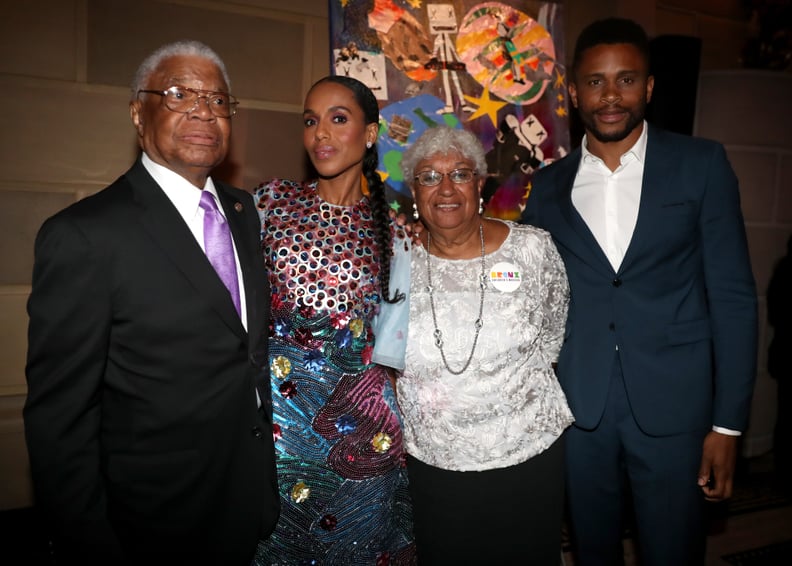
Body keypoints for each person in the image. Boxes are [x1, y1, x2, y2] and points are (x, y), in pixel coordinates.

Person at [23, 40, 278, 565]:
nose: (204, 110)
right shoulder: (86, 235)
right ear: (139, 112)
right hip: (150, 525)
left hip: (246, 502)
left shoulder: (243, 210)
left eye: (218, 99)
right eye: (180, 93)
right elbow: (60, 419)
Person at [522, 18, 758, 565]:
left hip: (675, 406)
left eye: (626, 80)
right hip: (579, 408)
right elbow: (532, 300)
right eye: (595, 82)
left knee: (673, 550)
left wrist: (728, 423)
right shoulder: (548, 187)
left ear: (648, 88)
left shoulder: (701, 165)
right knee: (591, 550)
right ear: (573, 91)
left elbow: (734, 298)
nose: (610, 96)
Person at [251, 75, 416, 564]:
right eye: (310, 121)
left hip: (366, 432)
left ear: (370, 134)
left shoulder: (396, 232)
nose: (320, 133)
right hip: (278, 430)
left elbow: (394, 345)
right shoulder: (268, 203)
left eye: (337, 119)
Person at [390, 126, 573, 564]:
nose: (446, 188)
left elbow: (553, 335)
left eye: (460, 173)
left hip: (527, 456)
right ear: (414, 191)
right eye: (429, 177)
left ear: (480, 183)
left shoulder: (532, 249)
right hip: (434, 463)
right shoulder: (394, 260)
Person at [768, 235, 792, 483]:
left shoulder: (782, 269)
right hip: (786, 354)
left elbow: (774, 314)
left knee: (784, 415)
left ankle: (782, 471)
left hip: (783, 353)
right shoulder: (785, 270)